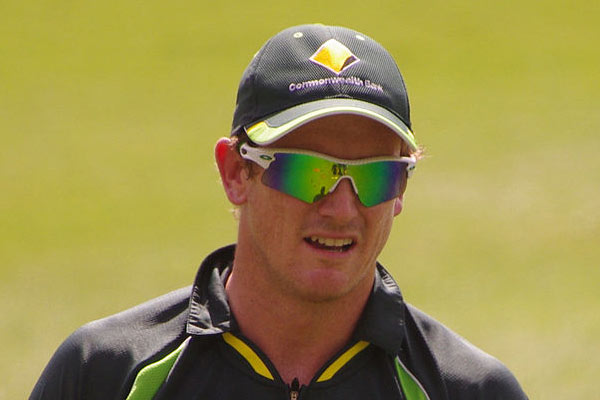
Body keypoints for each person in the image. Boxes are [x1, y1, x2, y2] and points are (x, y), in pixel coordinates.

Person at [30, 24, 528, 400]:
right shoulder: (104, 374)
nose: (341, 208)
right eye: (307, 172)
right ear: (235, 173)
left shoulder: (468, 390)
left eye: (376, 176)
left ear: (401, 190)